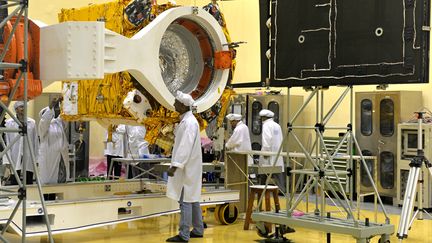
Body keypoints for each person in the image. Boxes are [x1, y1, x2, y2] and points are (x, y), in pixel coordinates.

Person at [166, 91, 203, 242]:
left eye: (176, 102)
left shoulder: (189, 122)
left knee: (185, 199)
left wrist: (176, 165)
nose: (174, 104)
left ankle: (184, 235)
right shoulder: (187, 120)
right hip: (191, 166)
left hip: (187, 166)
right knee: (192, 197)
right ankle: (199, 229)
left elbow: (185, 145)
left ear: (183, 105)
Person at [3, 101, 39, 185]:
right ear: (16, 110)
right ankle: (14, 197)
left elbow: (35, 141)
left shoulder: (32, 123)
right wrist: (7, 160)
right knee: (15, 180)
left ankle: (28, 197)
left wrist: (37, 158)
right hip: (14, 155)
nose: (23, 109)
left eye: (25, 107)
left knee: (29, 179)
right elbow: (7, 142)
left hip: (28, 155)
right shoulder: (9, 123)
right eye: (21, 107)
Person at [38, 97, 70, 184]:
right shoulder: (43, 127)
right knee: (48, 182)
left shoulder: (58, 123)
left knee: (60, 182)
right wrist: (50, 107)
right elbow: (45, 121)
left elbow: (64, 117)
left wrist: (63, 103)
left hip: (61, 156)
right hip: (49, 158)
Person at [259, 109, 285, 192]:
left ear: (264, 118)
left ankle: (261, 188)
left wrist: (266, 152)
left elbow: (266, 139)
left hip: (268, 153)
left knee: (264, 172)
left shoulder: (266, 125)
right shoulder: (277, 125)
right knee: (277, 172)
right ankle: (281, 190)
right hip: (277, 152)